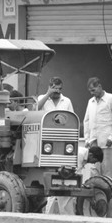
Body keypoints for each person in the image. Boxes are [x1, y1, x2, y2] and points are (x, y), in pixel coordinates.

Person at [38, 77, 75, 215]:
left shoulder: (67, 101)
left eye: (60, 89)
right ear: (50, 86)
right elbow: (34, 109)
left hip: (63, 140)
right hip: (46, 141)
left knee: (61, 175)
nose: (58, 91)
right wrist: (48, 94)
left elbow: (71, 118)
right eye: (55, 89)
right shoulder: (43, 98)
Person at [83, 77, 112, 181]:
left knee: (108, 169)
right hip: (93, 141)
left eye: (93, 90)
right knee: (94, 169)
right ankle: (95, 191)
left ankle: (109, 192)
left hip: (106, 140)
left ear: (99, 86)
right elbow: (86, 120)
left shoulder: (111, 99)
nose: (91, 93)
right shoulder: (90, 101)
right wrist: (87, 139)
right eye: (90, 91)